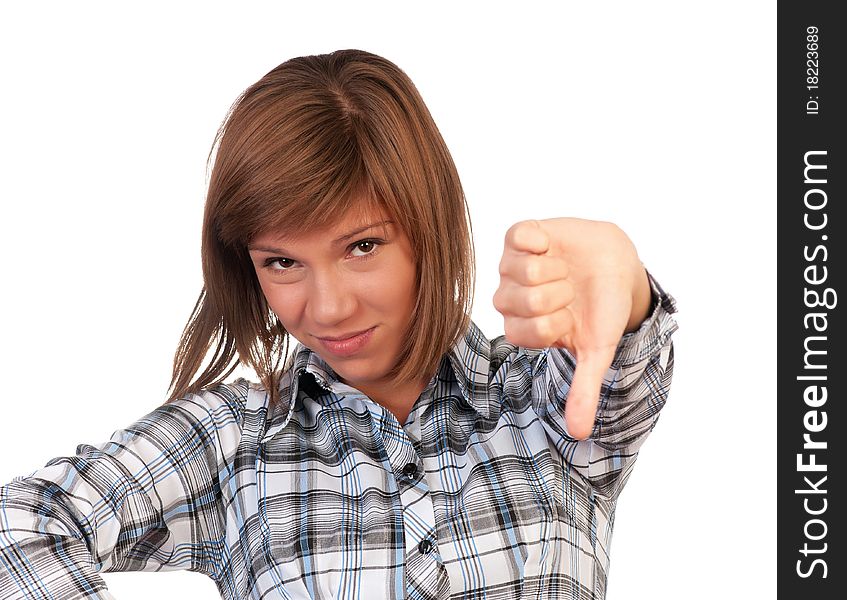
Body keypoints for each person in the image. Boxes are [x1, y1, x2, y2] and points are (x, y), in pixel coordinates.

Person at [0, 49, 678, 600]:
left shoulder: (544, 404)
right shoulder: (234, 441)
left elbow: (616, 369)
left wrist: (627, 291)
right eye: (283, 261)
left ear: (426, 224)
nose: (325, 309)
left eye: (362, 247)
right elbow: (18, 523)